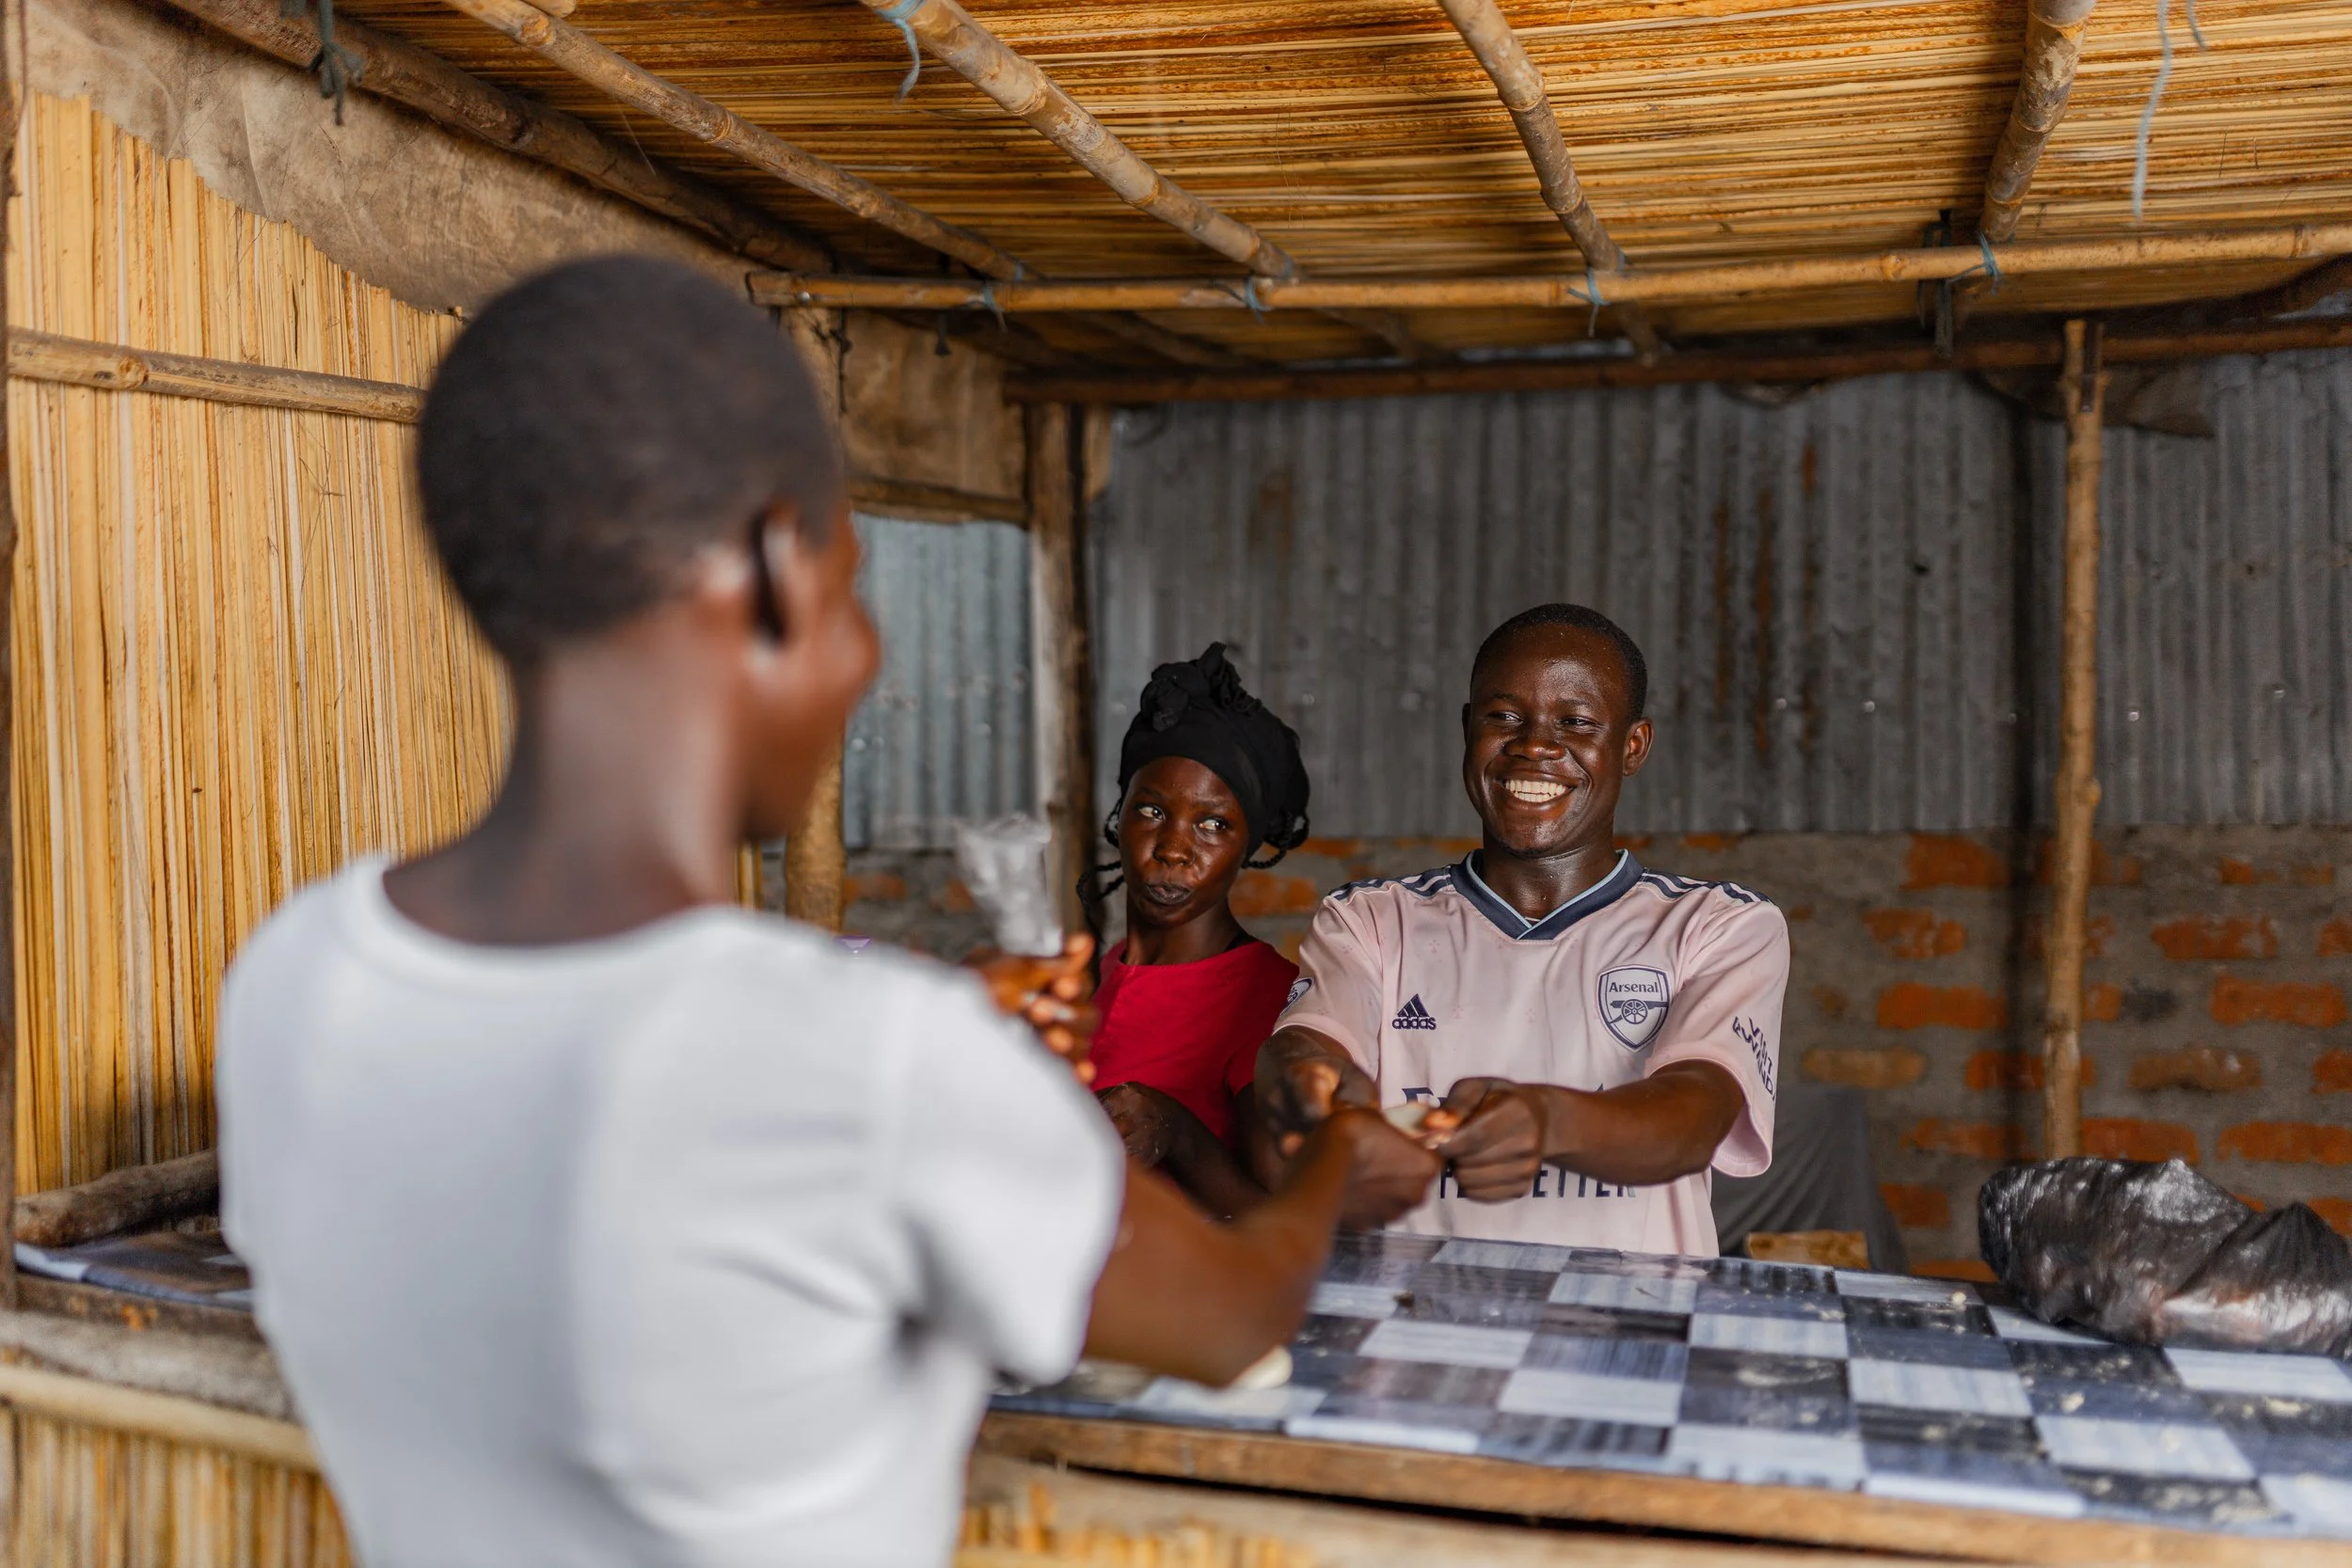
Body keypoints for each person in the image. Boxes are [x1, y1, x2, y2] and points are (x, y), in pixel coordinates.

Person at [215, 257, 1439, 1568]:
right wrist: (1325, 1166)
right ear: (768, 571)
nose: (864, 656)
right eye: (852, 586)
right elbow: (1224, 1320)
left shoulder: (298, 978)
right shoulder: (870, 1051)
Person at [1255, 603, 1788, 1256]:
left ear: (1632, 746)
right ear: (1467, 728)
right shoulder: (1371, 919)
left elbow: (1693, 1117)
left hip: (1634, 1334)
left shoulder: (1720, 925)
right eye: (1504, 716)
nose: (1534, 744)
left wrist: (1547, 1120)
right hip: (1412, 1333)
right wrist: (1313, 1087)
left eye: (1575, 721)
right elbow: (1307, 1048)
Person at [1088, 644, 1310, 1219]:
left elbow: (1279, 1222)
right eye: (1153, 811)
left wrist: (1177, 1133)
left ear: (1247, 847)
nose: (1174, 848)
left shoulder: (1267, 1000)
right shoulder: (1099, 973)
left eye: (1214, 824)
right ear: (1120, 815)